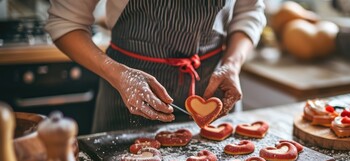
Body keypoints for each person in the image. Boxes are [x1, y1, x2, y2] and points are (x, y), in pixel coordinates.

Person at [45, 0, 266, 133]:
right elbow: (66, 22)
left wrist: (232, 64)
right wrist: (118, 74)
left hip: (214, 91)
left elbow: (249, 11)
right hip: (125, 94)